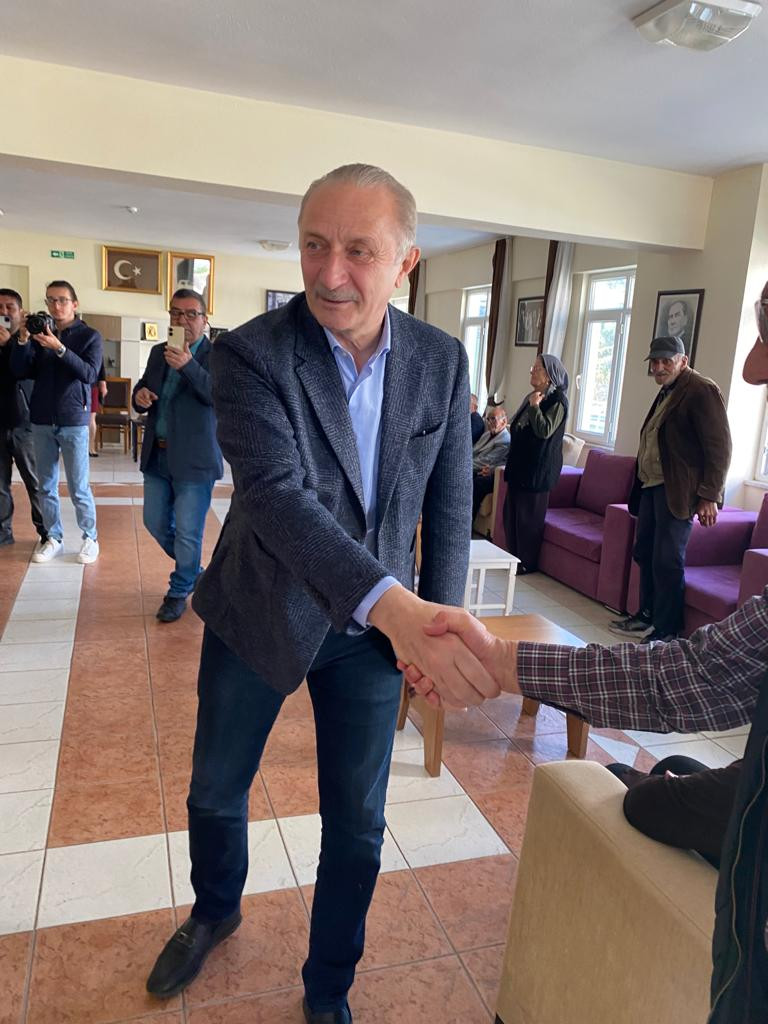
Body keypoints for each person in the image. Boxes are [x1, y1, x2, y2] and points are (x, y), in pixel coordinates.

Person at [144, 164, 499, 1024]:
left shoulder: (442, 361)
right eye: (314, 245)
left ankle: (328, 984)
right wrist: (399, 608)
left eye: (358, 251)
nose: (330, 273)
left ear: (406, 262)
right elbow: (277, 499)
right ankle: (215, 909)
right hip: (260, 607)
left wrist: (436, 628)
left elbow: (450, 502)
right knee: (215, 791)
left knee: (358, 825)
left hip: (373, 640)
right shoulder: (251, 354)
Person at [610, 337, 731, 642]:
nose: (659, 367)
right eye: (655, 361)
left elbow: (720, 449)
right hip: (651, 486)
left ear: (683, 361)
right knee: (645, 552)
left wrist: (709, 495)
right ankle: (646, 615)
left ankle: (667, 629)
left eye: (667, 361)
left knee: (667, 559)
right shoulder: (668, 390)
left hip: (677, 491)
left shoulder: (701, 390)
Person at [132, 289, 222, 623]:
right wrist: (139, 396)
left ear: (204, 319)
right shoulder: (159, 352)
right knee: (154, 522)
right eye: (175, 313)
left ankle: (179, 589)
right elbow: (142, 387)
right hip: (157, 455)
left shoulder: (218, 355)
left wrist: (188, 366)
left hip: (195, 461)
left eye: (190, 314)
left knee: (188, 532)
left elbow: (218, 396)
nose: (182, 320)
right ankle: (194, 570)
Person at [9, 280, 102, 564]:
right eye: (50, 300)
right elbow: (20, 370)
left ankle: (90, 538)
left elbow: (89, 373)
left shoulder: (89, 336)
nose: (56, 305)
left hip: (73, 418)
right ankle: (53, 538)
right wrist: (23, 339)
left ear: (74, 304)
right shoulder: (38, 333)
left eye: (62, 300)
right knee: (45, 485)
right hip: (40, 419)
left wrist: (59, 348)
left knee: (78, 486)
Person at [502, 353, 568, 573]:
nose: (532, 371)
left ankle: (526, 564)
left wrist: (534, 407)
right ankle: (513, 559)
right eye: (533, 367)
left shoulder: (557, 401)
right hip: (519, 467)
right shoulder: (533, 396)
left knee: (528, 520)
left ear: (549, 376)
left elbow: (544, 430)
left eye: (537, 368)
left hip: (537, 471)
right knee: (511, 516)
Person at [0, 288, 46, 547]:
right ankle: (2, 533)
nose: (4, 312)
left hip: (25, 424)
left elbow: (22, 371)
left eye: (10, 307)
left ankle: (47, 532)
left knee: (35, 481)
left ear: (21, 312)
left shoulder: (32, 340)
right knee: (0, 484)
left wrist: (10, 344)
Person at [471, 406, 509, 519]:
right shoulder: (487, 434)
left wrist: (463, 466)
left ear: (504, 421)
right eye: (488, 419)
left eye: (493, 419)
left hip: (485, 471)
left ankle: (467, 521)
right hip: (473, 466)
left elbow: (485, 462)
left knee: (474, 480)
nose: (489, 422)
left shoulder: (505, 440)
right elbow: (473, 451)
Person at [88, 361, 108, 457]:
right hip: (89, 385)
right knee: (91, 419)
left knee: (91, 418)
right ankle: (90, 448)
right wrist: (103, 384)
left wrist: (103, 384)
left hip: (92, 386)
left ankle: (90, 447)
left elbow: (101, 365)